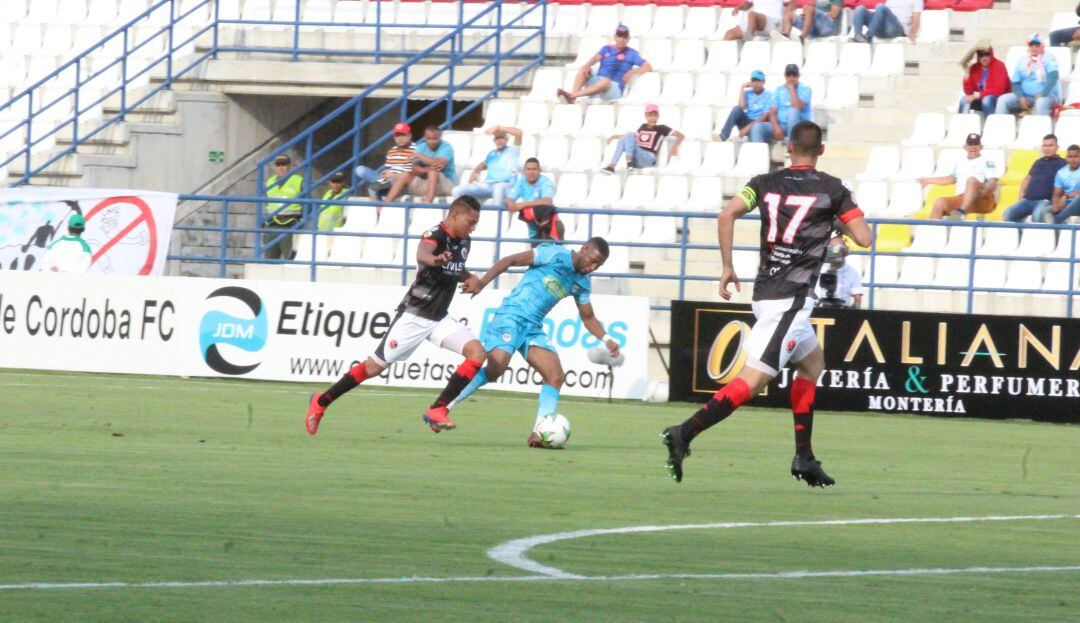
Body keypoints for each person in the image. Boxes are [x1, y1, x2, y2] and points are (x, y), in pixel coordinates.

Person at [660, 120, 873, 486]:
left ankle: (804, 456)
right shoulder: (833, 189)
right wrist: (834, 224)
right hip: (791, 300)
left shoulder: (763, 182)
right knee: (754, 381)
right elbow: (864, 238)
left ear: (788, 148)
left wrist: (727, 267)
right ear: (821, 151)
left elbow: (726, 215)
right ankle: (684, 432)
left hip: (765, 292)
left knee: (813, 364)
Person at [305, 195, 485, 435]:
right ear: (455, 215)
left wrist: (469, 277)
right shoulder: (435, 235)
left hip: (439, 317)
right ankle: (321, 401)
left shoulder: (464, 242)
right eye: (470, 222)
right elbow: (423, 254)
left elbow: (455, 267)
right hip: (415, 315)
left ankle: (437, 409)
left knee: (477, 353)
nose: (472, 228)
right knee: (372, 368)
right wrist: (435, 260)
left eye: (475, 223)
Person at [420, 238, 620, 446]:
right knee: (496, 368)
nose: (593, 267)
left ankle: (540, 433)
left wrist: (607, 339)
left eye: (599, 265)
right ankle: (442, 407)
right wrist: (482, 282)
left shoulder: (582, 283)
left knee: (555, 376)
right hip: (511, 316)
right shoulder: (554, 254)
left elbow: (588, 317)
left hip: (532, 327)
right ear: (584, 249)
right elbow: (510, 260)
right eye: (593, 260)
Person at [558, 25, 652, 103]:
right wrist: (587, 66)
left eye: (624, 37)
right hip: (598, 82)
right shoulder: (607, 49)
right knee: (584, 69)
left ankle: (572, 95)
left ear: (628, 39)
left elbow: (648, 66)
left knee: (606, 81)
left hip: (614, 88)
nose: (622, 39)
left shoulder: (632, 53)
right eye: (619, 36)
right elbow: (595, 58)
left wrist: (633, 71)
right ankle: (572, 98)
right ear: (615, 37)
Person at [920, 133, 998, 220]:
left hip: (982, 199)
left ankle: (961, 212)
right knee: (940, 202)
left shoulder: (987, 162)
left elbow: (993, 183)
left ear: (981, 147)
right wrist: (929, 180)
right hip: (963, 198)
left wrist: (983, 193)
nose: (973, 147)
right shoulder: (960, 162)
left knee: (971, 180)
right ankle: (934, 228)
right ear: (965, 147)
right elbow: (951, 179)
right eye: (970, 144)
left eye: (976, 144)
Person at [452, 125, 523, 208]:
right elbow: (483, 165)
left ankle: (496, 215)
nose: (499, 140)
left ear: (507, 140)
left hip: (506, 185)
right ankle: (459, 214)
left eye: (502, 138)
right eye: (497, 138)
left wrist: (498, 128)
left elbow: (519, 133)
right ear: (494, 141)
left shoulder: (513, 151)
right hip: (489, 185)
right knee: (457, 190)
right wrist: (475, 172)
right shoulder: (491, 154)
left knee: (498, 188)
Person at [601, 104, 684, 173]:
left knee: (629, 135)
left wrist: (675, 146)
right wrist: (614, 136)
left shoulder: (662, 128)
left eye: (655, 115)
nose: (653, 118)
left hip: (648, 157)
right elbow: (629, 138)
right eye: (650, 115)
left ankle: (628, 163)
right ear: (646, 116)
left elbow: (681, 135)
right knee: (625, 138)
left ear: (658, 116)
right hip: (637, 158)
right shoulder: (643, 126)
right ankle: (613, 166)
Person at [1003, 134, 1066, 223]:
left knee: (1037, 217)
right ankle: (1023, 230)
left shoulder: (1063, 164)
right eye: (1045, 146)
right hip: (1028, 200)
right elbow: (1027, 179)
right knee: (1008, 215)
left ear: (1057, 147)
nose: (1047, 149)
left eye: (1050, 145)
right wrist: (1021, 197)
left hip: (1046, 201)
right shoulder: (1038, 162)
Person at [995, 34, 1060, 117]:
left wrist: (1042, 93)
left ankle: (1042, 125)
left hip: (1047, 95)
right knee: (1003, 99)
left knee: (1041, 101)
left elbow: (1053, 78)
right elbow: (1015, 83)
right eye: (1031, 45)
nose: (1033, 48)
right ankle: (1000, 124)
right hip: (1026, 96)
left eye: (1037, 45)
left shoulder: (1050, 58)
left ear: (1042, 46)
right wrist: (1020, 97)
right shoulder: (1021, 60)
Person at [354, 122, 416, 204]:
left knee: (374, 187)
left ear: (410, 136)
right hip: (389, 179)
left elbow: (412, 173)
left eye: (403, 135)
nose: (400, 138)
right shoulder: (392, 151)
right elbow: (389, 168)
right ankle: (380, 188)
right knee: (360, 170)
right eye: (397, 136)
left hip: (401, 182)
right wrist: (385, 173)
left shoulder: (416, 149)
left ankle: (379, 193)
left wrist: (393, 176)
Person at [505, 158, 561, 243]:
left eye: (534, 169)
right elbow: (509, 198)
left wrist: (522, 205)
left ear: (539, 171)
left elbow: (548, 201)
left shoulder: (545, 182)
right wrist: (510, 203)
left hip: (551, 228)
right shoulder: (521, 182)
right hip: (533, 229)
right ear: (524, 171)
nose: (531, 172)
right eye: (529, 169)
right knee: (535, 250)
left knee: (551, 250)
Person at [263, 154, 304, 260]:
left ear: (290, 166)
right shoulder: (270, 182)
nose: (281, 168)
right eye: (278, 165)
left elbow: (308, 205)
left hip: (290, 226)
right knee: (269, 262)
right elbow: (267, 203)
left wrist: (301, 223)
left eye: (284, 165)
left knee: (290, 261)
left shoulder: (299, 181)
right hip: (272, 225)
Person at [718, 70, 774, 142]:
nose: (756, 83)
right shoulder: (747, 92)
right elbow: (741, 107)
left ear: (763, 82)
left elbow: (765, 117)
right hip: (747, 120)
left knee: (757, 128)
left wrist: (747, 128)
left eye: (758, 81)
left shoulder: (769, 95)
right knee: (736, 109)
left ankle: (752, 136)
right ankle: (722, 136)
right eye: (753, 81)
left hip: (759, 123)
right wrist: (742, 88)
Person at [958, 41, 1010, 118]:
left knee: (987, 100)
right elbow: (968, 92)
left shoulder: (999, 65)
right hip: (981, 99)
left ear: (991, 54)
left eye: (987, 54)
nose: (984, 57)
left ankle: (991, 124)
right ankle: (963, 124)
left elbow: (999, 90)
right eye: (981, 54)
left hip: (997, 99)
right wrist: (967, 75)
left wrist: (979, 95)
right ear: (978, 56)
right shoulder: (974, 68)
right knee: (964, 100)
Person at [763, 64, 813, 143]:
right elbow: (772, 112)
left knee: (792, 111)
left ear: (798, 76)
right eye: (789, 75)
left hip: (800, 126)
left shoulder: (806, 89)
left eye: (794, 75)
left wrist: (791, 88)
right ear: (785, 76)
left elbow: (797, 106)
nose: (791, 77)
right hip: (782, 125)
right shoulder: (779, 89)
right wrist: (777, 129)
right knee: (758, 127)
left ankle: (791, 145)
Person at [409, 125, 457, 203]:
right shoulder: (421, 147)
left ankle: (429, 200)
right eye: (429, 139)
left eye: (435, 138)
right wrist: (425, 170)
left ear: (440, 136)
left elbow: (438, 164)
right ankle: (388, 202)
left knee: (433, 172)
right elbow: (413, 167)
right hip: (428, 182)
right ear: (424, 137)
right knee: (404, 174)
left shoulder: (446, 147)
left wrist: (420, 156)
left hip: (447, 184)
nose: (432, 142)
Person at [814, 236, 864, 308]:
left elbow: (857, 298)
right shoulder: (818, 269)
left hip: (842, 310)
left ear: (845, 252)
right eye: (831, 248)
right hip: (819, 309)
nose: (834, 253)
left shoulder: (852, 272)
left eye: (837, 249)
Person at [852, 0, 922, 43]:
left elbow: (916, 17)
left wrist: (912, 33)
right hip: (882, 28)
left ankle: (868, 37)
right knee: (860, 9)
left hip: (897, 28)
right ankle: (858, 36)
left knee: (880, 6)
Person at [1047, 144, 1080, 224]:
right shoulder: (1061, 173)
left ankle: (1058, 219)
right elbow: (1056, 195)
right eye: (1070, 157)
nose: (1073, 159)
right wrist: (1056, 206)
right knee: (1043, 210)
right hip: (1067, 204)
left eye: (1076, 156)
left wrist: (1067, 196)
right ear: (1066, 158)